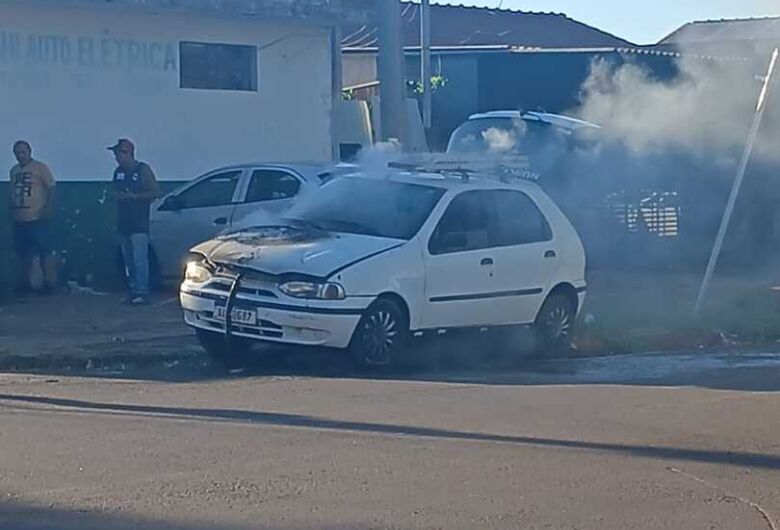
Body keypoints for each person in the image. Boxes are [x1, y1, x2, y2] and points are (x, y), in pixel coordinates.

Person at [109, 138, 159, 305]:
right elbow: (113, 191)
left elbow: (155, 192)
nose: (117, 158)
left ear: (127, 153)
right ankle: (133, 290)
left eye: (118, 154)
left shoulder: (143, 170)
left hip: (139, 223)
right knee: (128, 261)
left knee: (139, 259)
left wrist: (135, 197)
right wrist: (117, 196)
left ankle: (143, 291)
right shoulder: (118, 172)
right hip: (123, 222)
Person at [9, 140, 57, 296]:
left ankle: (48, 282)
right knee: (23, 253)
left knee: (44, 250)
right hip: (19, 218)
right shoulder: (14, 170)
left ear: (29, 152)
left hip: (37, 217)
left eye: (23, 152)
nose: (20, 156)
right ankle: (25, 283)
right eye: (17, 153)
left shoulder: (40, 167)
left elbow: (51, 188)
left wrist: (48, 207)